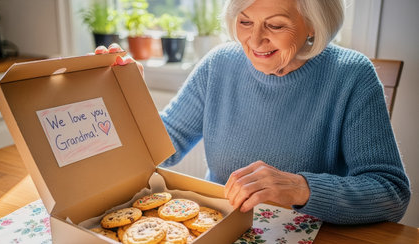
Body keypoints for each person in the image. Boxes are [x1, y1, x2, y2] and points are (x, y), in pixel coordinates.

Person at [95, 0, 410, 225]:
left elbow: (391, 193)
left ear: (314, 23)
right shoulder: (219, 63)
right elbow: (162, 150)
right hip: (221, 229)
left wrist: (298, 187)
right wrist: (126, 98)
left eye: (275, 25)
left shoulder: (351, 75)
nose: (255, 40)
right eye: (245, 21)